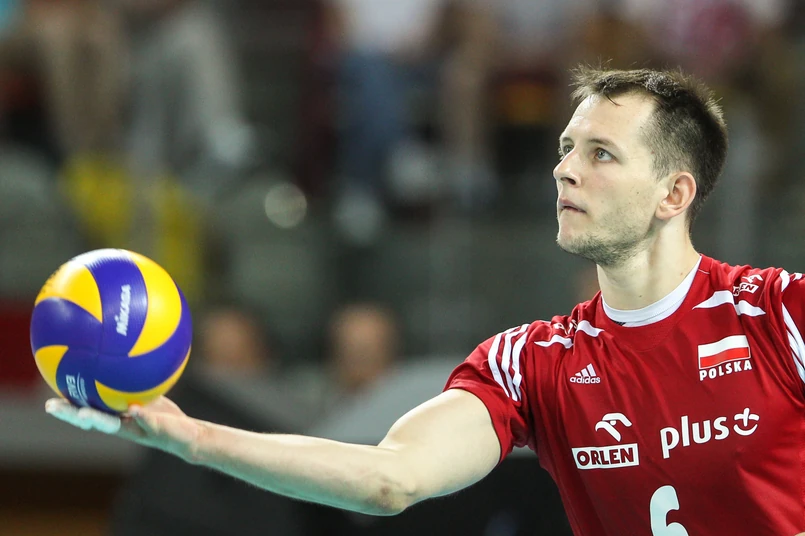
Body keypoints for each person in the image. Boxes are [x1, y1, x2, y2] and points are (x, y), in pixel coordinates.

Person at [45, 66, 805, 535]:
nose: (564, 170)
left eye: (600, 154)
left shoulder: (776, 316)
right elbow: (391, 476)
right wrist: (193, 439)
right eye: (566, 148)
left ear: (674, 193)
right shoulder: (529, 364)